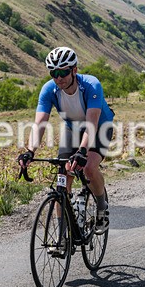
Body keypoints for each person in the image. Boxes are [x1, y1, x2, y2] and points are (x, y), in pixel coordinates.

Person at [18, 47, 115, 248]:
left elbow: (91, 124)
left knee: (88, 167)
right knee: (63, 176)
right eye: (54, 73)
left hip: (98, 126)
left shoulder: (91, 85)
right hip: (73, 129)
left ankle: (101, 207)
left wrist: (82, 152)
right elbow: (39, 125)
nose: (59, 77)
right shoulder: (49, 90)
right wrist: (30, 151)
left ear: (74, 70)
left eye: (63, 72)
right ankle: (62, 235)